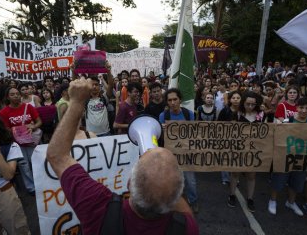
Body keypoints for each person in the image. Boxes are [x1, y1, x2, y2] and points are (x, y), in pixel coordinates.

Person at [46, 78, 199, 235]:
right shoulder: (187, 227)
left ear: (129, 184)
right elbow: (182, 207)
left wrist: (77, 101)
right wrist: (165, 186)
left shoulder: (99, 208)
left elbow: (57, 156)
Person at [268, 97, 307, 216]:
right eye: (301, 107)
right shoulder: (287, 121)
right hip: (285, 157)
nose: (304, 110)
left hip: (302, 159)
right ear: (297, 108)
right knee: (278, 180)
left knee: (297, 182)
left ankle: (291, 202)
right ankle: (273, 200)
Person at [159, 88, 199, 213]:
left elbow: (194, 133)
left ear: (180, 100)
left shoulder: (189, 114)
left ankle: (193, 201)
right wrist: (162, 129)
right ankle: (175, 202)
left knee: (191, 181)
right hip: (170, 155)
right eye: (169, 100)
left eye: (175, 99)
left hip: (186, 154)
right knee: (173, 179)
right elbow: (159, 137)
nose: (172, 102)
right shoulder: (163, 116)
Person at [0, 87, 42, 194]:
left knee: (37, 163)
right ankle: (31, 188)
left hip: (32, 141)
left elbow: (39, 122)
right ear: (8, 97)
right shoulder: (4, 112)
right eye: (12, 94)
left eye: (17, 94)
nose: (16, 96)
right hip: (18, 144)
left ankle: (41, 183)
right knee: (24, 166)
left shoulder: (28, 107)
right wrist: (15, 131)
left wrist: (32, 127)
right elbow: (5, 128)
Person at [227, 91, 264, 212]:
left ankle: (250, 198)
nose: (250, 107)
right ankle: (232, 195)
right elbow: (231, 132)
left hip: (254, 150)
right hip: (238, 149)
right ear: (243, 103)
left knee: (251, 175)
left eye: (253, 104)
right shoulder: (236, 114)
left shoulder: (260, 114)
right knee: (235, 173)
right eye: (248, 104)